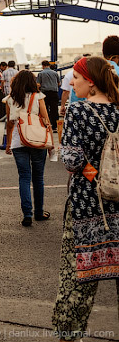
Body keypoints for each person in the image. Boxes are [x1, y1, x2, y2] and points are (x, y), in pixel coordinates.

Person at [53, 56, 119, 339]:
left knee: (76, 282)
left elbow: (71, 158)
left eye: (76, 78)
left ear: (90, 82)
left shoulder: (76, 112)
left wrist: (96, 177)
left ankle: (69, 335)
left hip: (86, 207)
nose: (72, 82)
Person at [3, 70, 53, 226]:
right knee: (38, 178)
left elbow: (9, 124)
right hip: (37, 140)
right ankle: (39, 212)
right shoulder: (38, 97)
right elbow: (46, 120)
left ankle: (27, 215)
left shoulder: (10, 99)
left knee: (24, 178)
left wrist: (8, 143)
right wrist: (51, 142)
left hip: (19, 142)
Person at [37, 60, 62, 131]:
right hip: (54, 93)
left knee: (45, 110)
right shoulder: (55, 73)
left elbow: (38, 84)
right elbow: (59, 84)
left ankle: (47, 125)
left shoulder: (41, 73)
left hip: (44, 93)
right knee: (54, 109)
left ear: (43, 66)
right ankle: (55, 126)